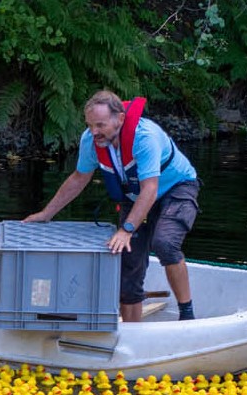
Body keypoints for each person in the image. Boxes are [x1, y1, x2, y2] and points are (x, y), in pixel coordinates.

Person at [24, 90, 200, 322]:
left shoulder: (144, 137)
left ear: (120, 118)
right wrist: (47, 213)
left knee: (164, 243)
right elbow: (79, 178)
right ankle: (131, 332)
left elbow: (150, 189)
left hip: (176, 188)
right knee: (126, 260)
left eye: (100, 125)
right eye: (90, 125)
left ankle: (187, 314)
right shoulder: (91, 140)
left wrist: (127, 229)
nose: (94, 131)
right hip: (134, 195)